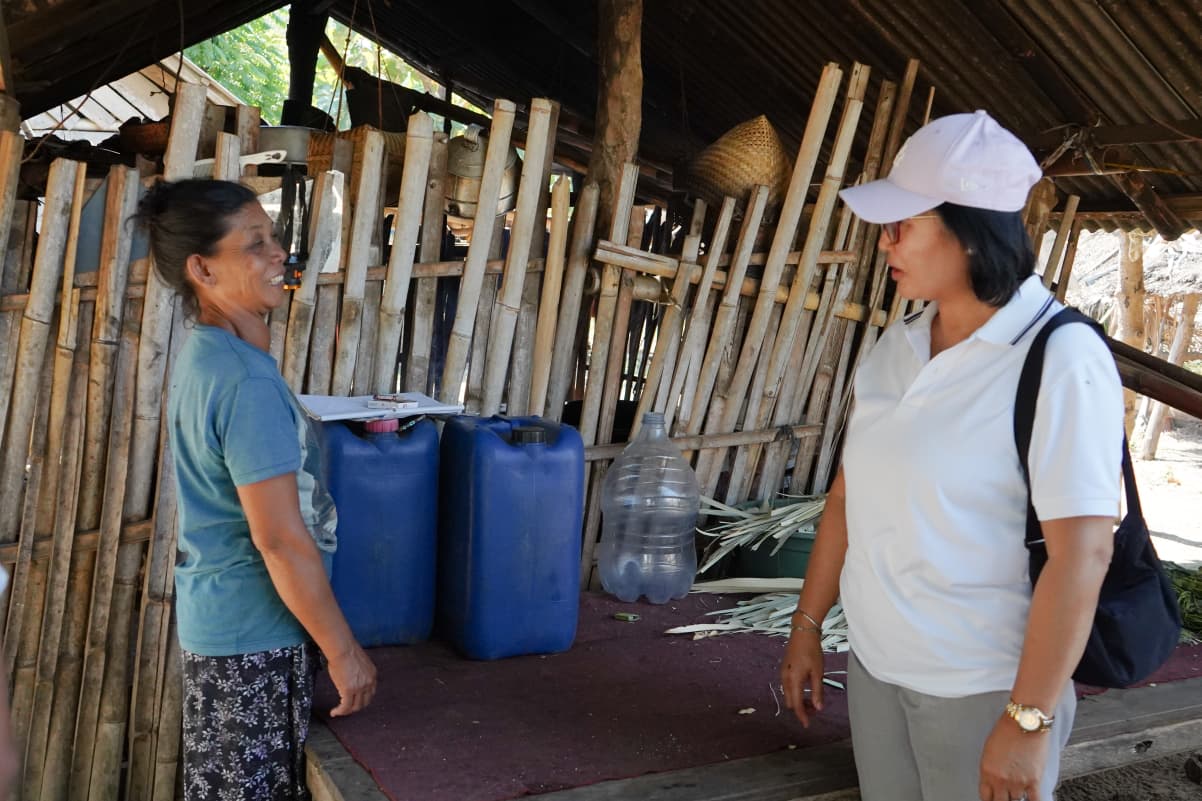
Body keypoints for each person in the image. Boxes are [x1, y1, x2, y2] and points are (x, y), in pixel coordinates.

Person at [779, 111, 1123, 801]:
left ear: (969, 231)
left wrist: (1028, 719)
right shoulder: (894, 347)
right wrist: (807, 626)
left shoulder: (1058, 357)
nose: (886, 243)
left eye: (903, 224)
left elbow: (1081, 552)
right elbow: (848, 497)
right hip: (878, 671)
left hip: (983, 687)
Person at [133, 180, 376, 801]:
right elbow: (280, 541)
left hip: (230, 628)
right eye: (257, 243)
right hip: (252, 637)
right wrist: (343, 651)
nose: (279, 255)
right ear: (202, 267)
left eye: (275, 239)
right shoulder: (244, 382)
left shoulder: (208, 357)